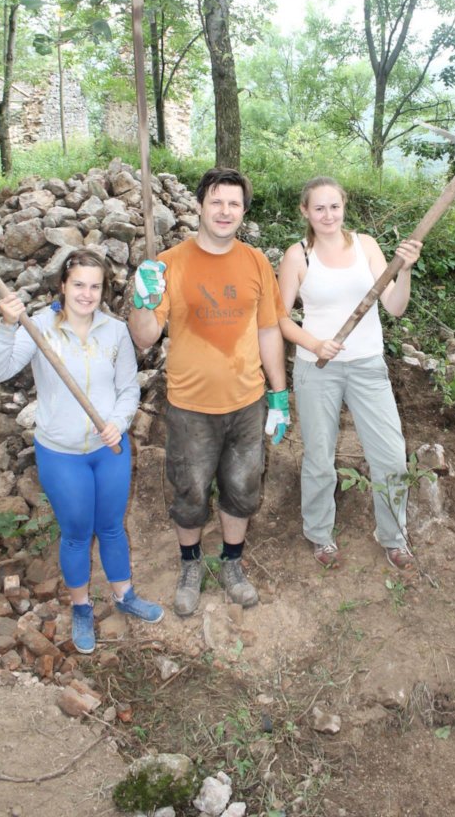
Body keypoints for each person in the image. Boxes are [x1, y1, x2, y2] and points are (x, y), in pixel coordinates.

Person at [129, 167, 289, 617]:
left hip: (247, 403)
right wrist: (142, 300)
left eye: (234, 204)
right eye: (217, 201)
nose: (225, 211)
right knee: (190, 491)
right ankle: (190, 564)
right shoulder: (169, 263)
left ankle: (233, 564)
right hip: (189, 406)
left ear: (243, 212)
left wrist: (278, 395)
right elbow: (144, 337)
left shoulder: (256, 261)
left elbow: (270, 330)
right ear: (200, 205)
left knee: (242, 487)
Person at [0, 250, 163, 655]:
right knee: (75, 533)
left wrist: (119, 422)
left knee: (111, 526)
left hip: (110, 448)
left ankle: (124, 595)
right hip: (61, 453)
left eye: (95, 286)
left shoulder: (114, 330)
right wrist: (5, 326)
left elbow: (128, 388)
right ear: (63, 287)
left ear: (103, 290)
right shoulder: (37, 327)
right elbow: (0, 371)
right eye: (78, 285)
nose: (87, 294)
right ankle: (83, 607)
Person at [277, 176, 422, 571]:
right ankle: (320, 534)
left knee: (392, 457)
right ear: (305, 211)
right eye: (319, 208)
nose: (328, 215)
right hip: (316, 369)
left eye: (334, 206)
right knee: (320, 458)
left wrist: (404, 270)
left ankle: (393, 535)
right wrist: (313, 344)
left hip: (367, 365)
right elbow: (278, 318)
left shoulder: (366, 246)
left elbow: (393, 306)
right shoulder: (297, 256)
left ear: (344, 207)